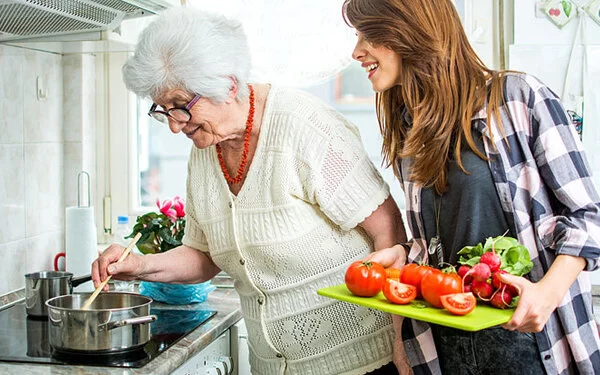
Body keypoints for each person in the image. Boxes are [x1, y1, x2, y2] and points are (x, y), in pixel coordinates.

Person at [92, 7, 409, 375]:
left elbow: (389, 232)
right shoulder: (205, 153)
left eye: (181, 108)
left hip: (360, 363)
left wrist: (403, 345)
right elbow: (204, 255)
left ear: (227, 84)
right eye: (163, 111)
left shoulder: (304, 126)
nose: (175, 127)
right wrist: (139, 266)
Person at [342, 0, 600, 374]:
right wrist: (404, 256)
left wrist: (547, 293)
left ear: (410, 31)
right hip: (445, 345)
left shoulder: (517, 98)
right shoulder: (409, 126)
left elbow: (589, 216)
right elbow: (442, 243)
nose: (357, 51)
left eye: (370, 34)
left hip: (530, 340)